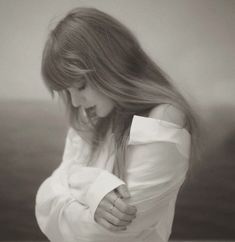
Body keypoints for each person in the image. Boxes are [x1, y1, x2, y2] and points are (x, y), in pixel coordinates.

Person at [35, 7, 199, 242]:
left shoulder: (163, 119)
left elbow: (107, 235)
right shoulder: (91, 119)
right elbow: (42, 200)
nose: (75, 102)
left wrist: (68, 186)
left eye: (81, 86)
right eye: (67, 91)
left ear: (111, 67)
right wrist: (91, 186)